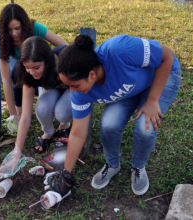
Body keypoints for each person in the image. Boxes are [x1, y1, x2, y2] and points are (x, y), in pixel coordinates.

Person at [47, 34, 181, 197]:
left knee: (145, 128)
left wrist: (152, 100)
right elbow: (77, 132)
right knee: (109, 125)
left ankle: (138, 166)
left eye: (74, 85)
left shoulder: (120, 49)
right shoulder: (79, 93)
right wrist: (66, 174)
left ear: (91, 75)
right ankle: (112, 165)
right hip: (129, 87)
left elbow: (167, 55)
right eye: (69, 86)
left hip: (162, 75)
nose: (72, 91)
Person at [0, 36, 72, 178]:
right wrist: (16, 154)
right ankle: (48, 133)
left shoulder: (65, 62)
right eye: (27, 67)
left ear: (47, 61)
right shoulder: (28, 73)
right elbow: (25, 117)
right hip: (52, 87)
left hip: (72, 88)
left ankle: (64, 126)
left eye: (36, 67)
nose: (32, 72)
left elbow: (83, 94)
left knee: (62, 111)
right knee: (42, 109)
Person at [0, 3, 69, 120]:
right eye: (9, 30)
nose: (14, 33)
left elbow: (66, 46)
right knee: (17, 70)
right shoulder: (3, 40)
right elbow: (6, 81)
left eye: (17, 28)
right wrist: (13, 116)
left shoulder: (35, 28)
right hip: (27, 74)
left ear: (24, 25)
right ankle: (20, 111)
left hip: (46, 71)